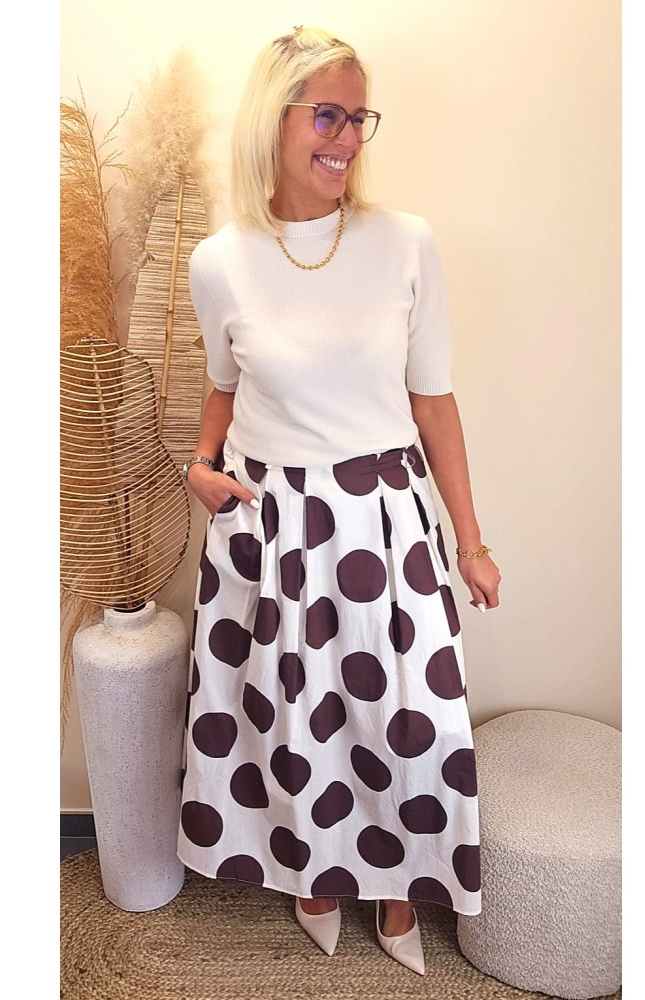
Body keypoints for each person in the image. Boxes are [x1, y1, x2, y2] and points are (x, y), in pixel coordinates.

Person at [178, 26, 501, 976]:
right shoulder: (219, 261)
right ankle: (315, 877)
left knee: (406, 714)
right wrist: (199, 462)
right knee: (296, 715)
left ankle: (399, 889)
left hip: (383, 516)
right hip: (272, 523)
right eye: (328, 115)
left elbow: (433, 401)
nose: (349, 138)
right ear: (273, 121)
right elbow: (226, 385)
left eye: (359, 118)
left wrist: (471, 543)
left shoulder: (405, 243)